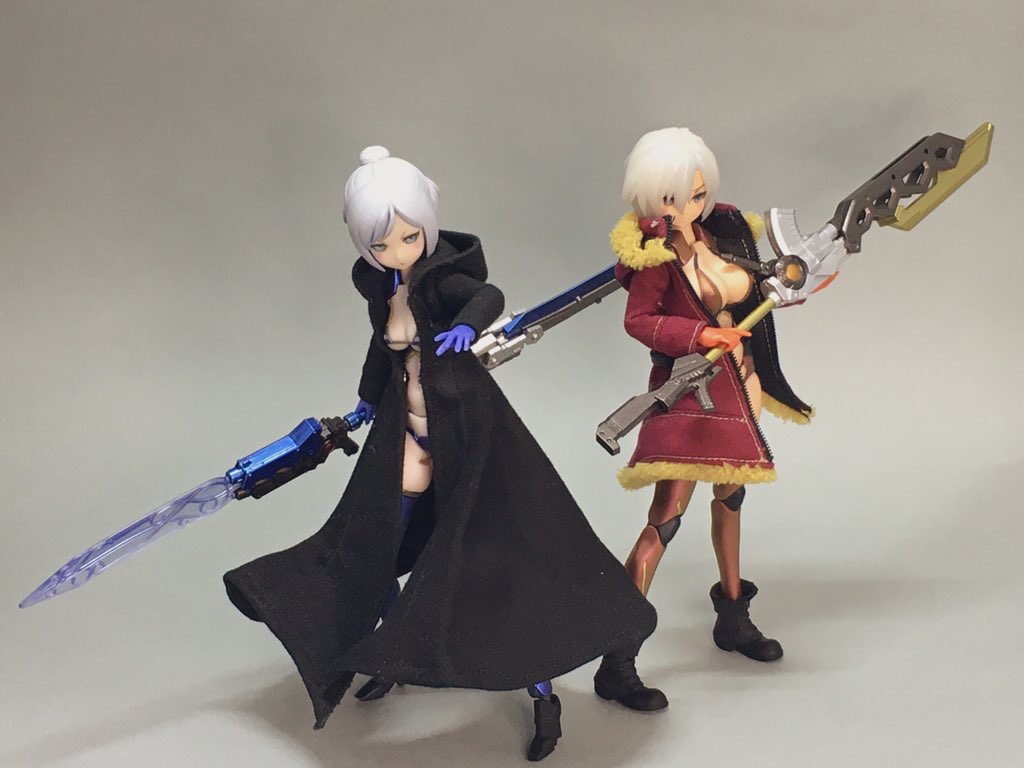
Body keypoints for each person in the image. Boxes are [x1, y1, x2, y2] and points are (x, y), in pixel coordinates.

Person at [223, 146, 656, 761]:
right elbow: (381, 351)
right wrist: (366, 399)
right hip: (406, 430)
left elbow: (489, 295)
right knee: (376, 542)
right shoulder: (384, 290)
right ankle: (394, 652)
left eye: (408, 237)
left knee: (498, 567)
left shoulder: (442, 278)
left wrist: (467, 325)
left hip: (469, 434)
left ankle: (542, 696)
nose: (397, 251)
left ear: (425, 227)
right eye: (381, 243)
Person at [594, 128, 812, 711]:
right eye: (671, 198)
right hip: (692, 394)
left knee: (731, 498)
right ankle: (617, 659)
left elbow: (754, 285)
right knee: (665, 518)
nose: (686, 208)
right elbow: (639, 320)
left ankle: (733, 618)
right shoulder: (653, 251)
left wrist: (790, 283)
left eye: (695, 194)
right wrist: (700, 334)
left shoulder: (724, 229)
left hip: (740, 386)